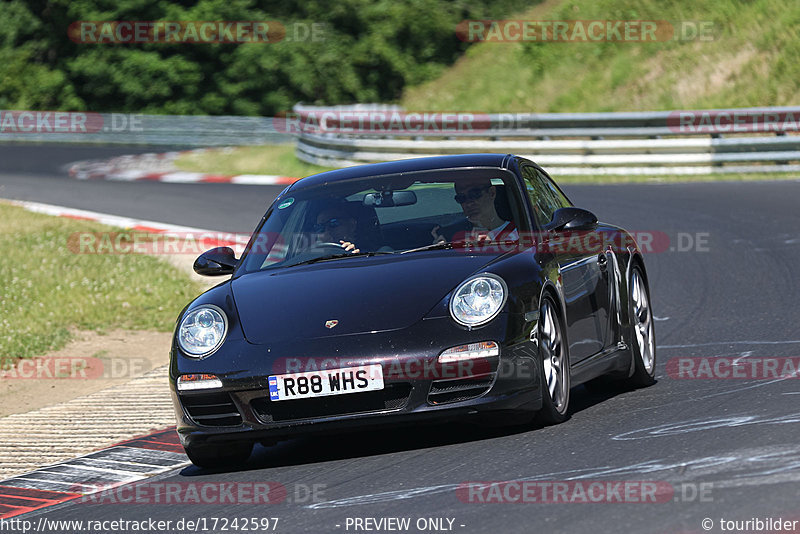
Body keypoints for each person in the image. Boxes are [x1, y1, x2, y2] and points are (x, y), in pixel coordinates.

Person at [432, 178, 518, 244]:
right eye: (461, 198)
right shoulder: (453, 238)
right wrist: (441, 250)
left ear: (492, 193)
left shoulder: (519, 234)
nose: (468, 203)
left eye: (475, 194)